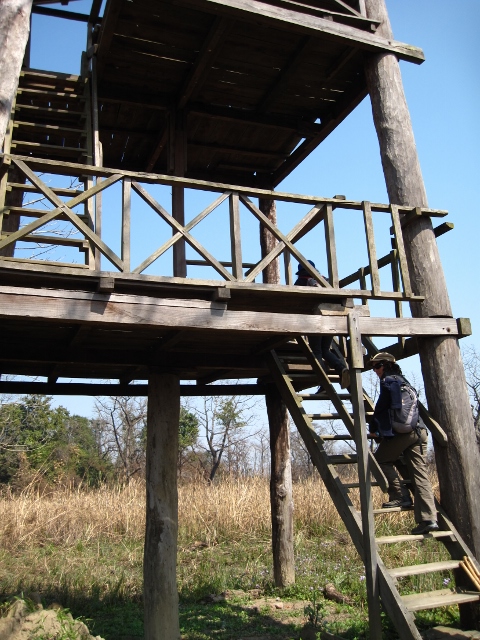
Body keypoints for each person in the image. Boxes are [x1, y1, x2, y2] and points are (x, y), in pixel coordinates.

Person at [369, 352, 439, 535]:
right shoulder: (406, 382)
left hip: (404, 434)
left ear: (386, 365)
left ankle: (400, 496)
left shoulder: (388, 381)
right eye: (374, 367)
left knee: (379, 460)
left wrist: (377, 429)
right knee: (420, 475)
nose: (375, 370)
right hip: (420, 432)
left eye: (377, 366)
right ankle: (429, 519)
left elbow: (382, 408)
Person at [294, 261, 349, 390]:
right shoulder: (326, 281)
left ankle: (323, 382)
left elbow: (297, 301)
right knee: (325, 350)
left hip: (314, 320)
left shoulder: (301, 282)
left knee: (317, 351)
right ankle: (341, 368)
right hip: (331, 319)